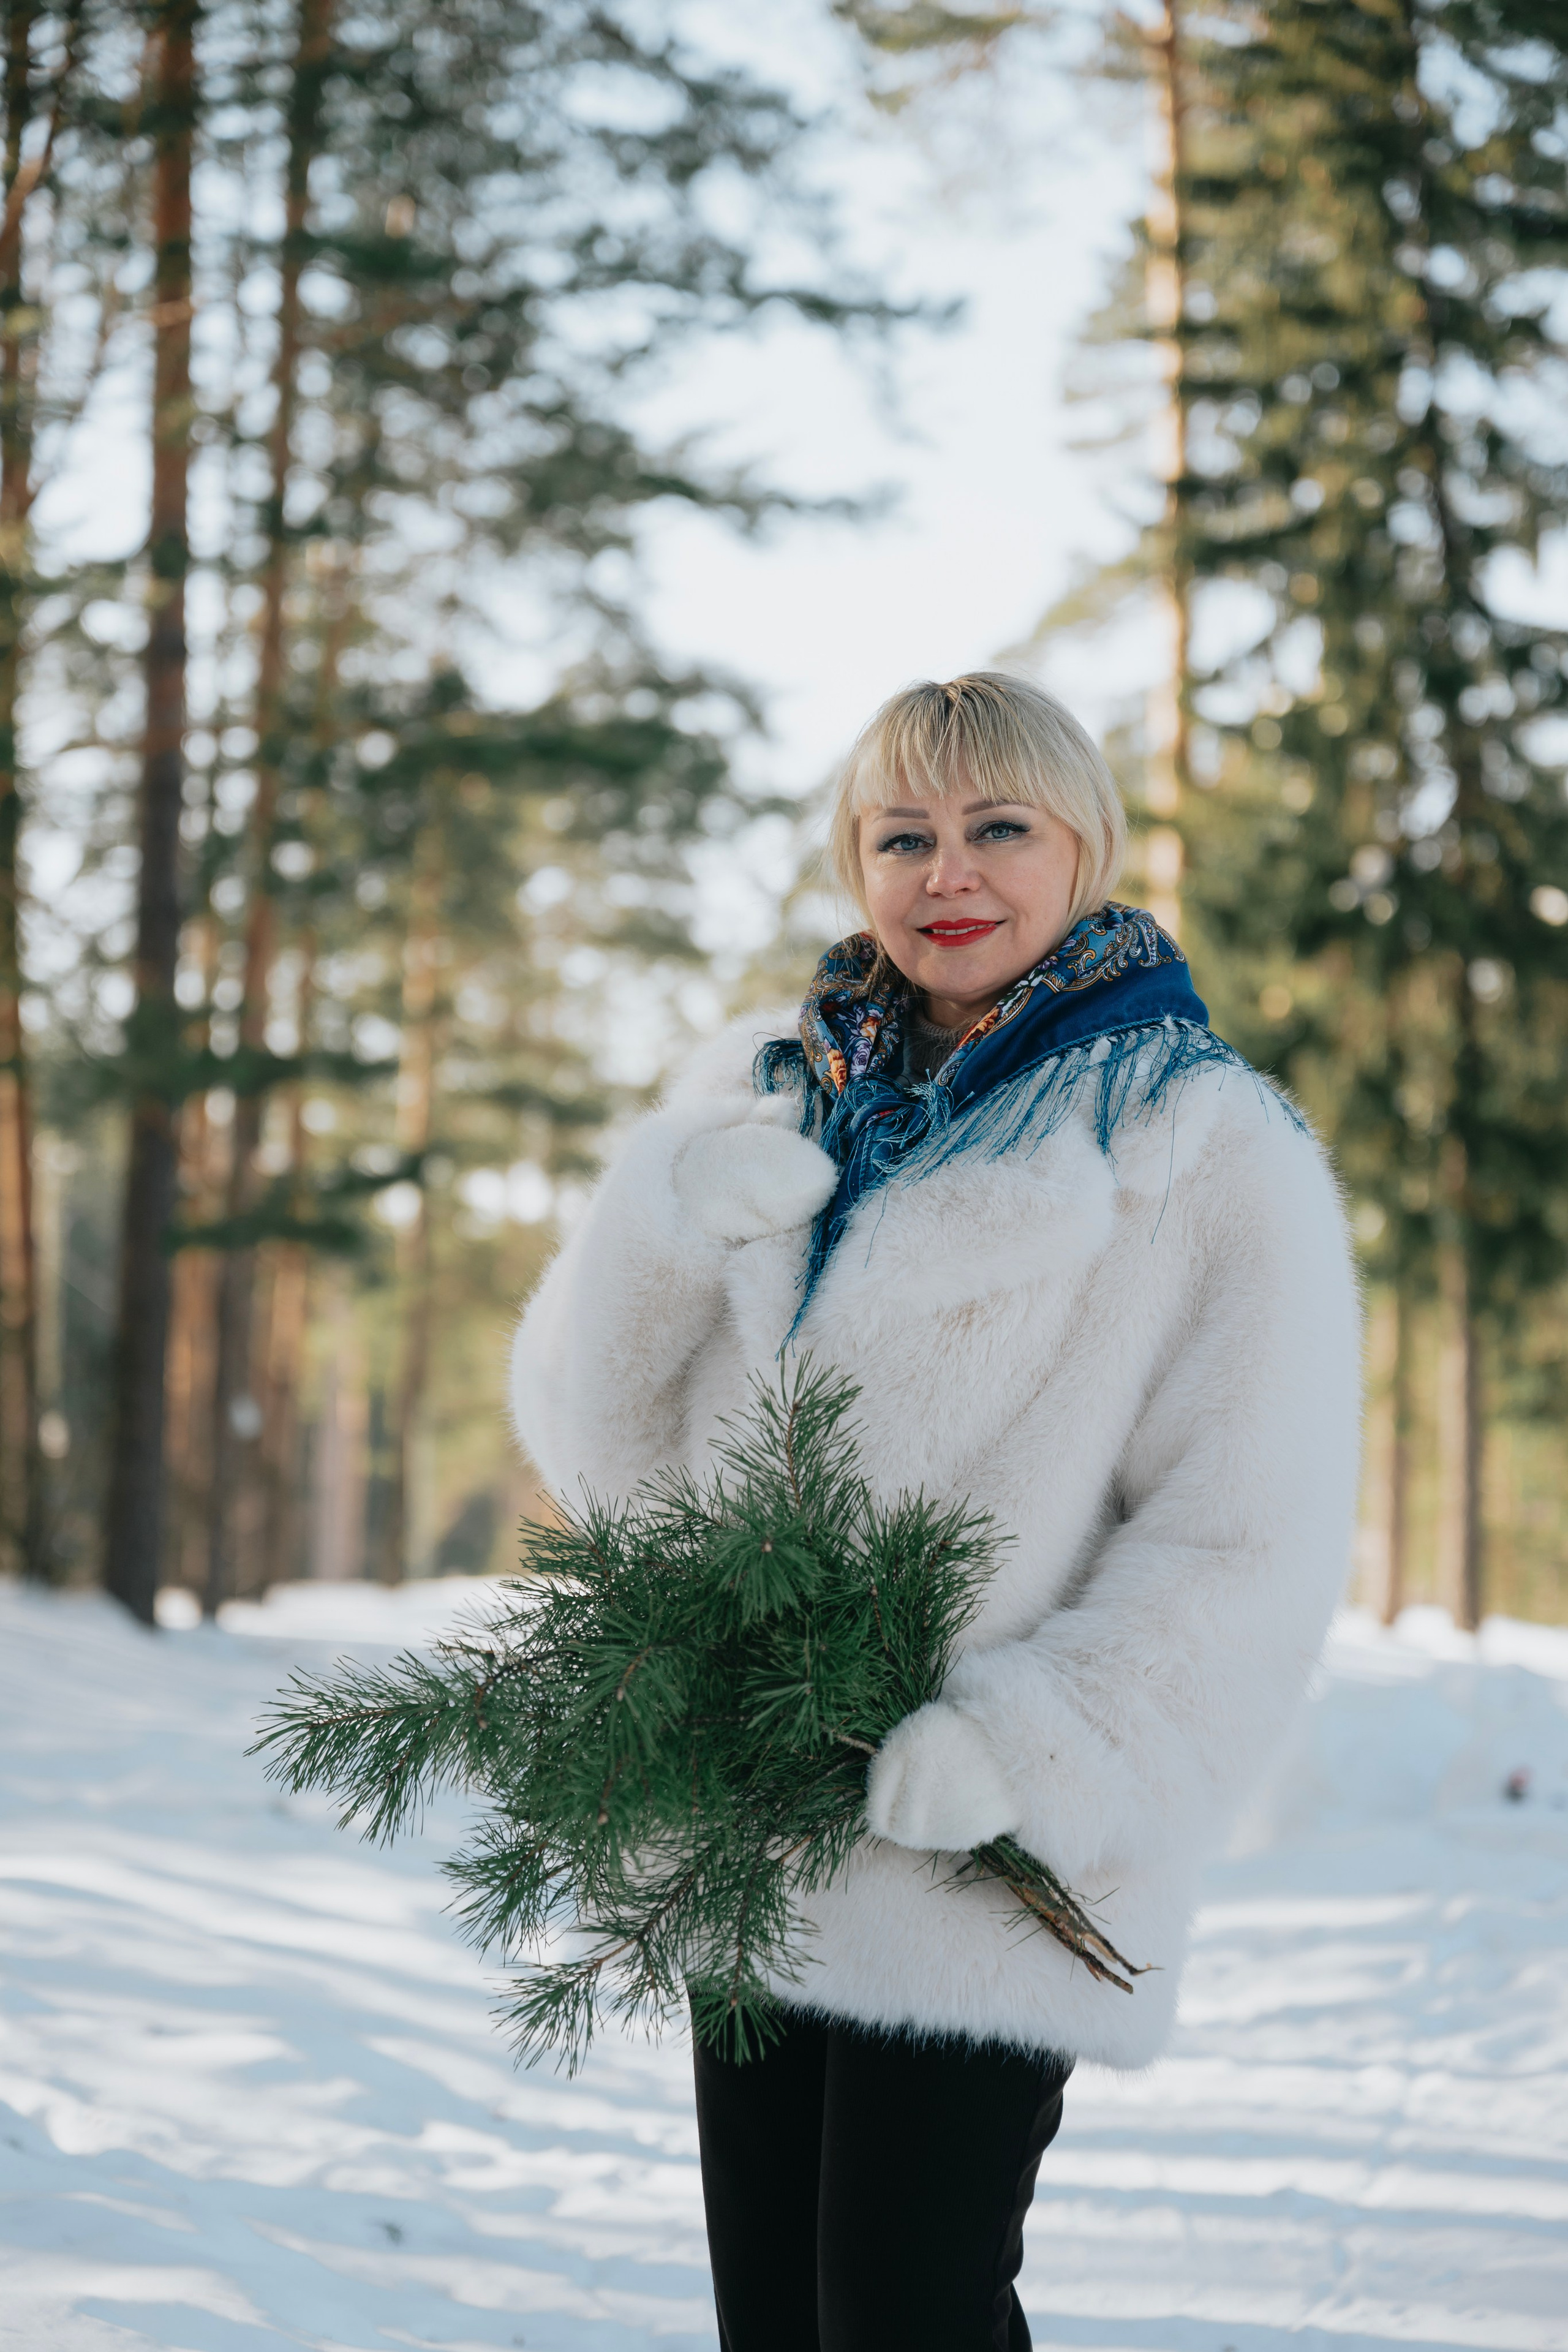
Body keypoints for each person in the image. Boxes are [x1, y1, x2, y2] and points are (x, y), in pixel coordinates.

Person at [509, 673, 1361, 2352]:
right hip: (751, 1800)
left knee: (900, 2308)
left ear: (1086, 850)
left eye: (998, 828)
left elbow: (1244, 1539)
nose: (946, 871)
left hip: (983, 1838)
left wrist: (1024, 1751)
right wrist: (667, 1230)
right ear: (853, 860)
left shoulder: (1202, 1144)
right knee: (776, 2317)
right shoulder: (762, 1086)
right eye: (902, 834)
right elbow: (597, 1441)